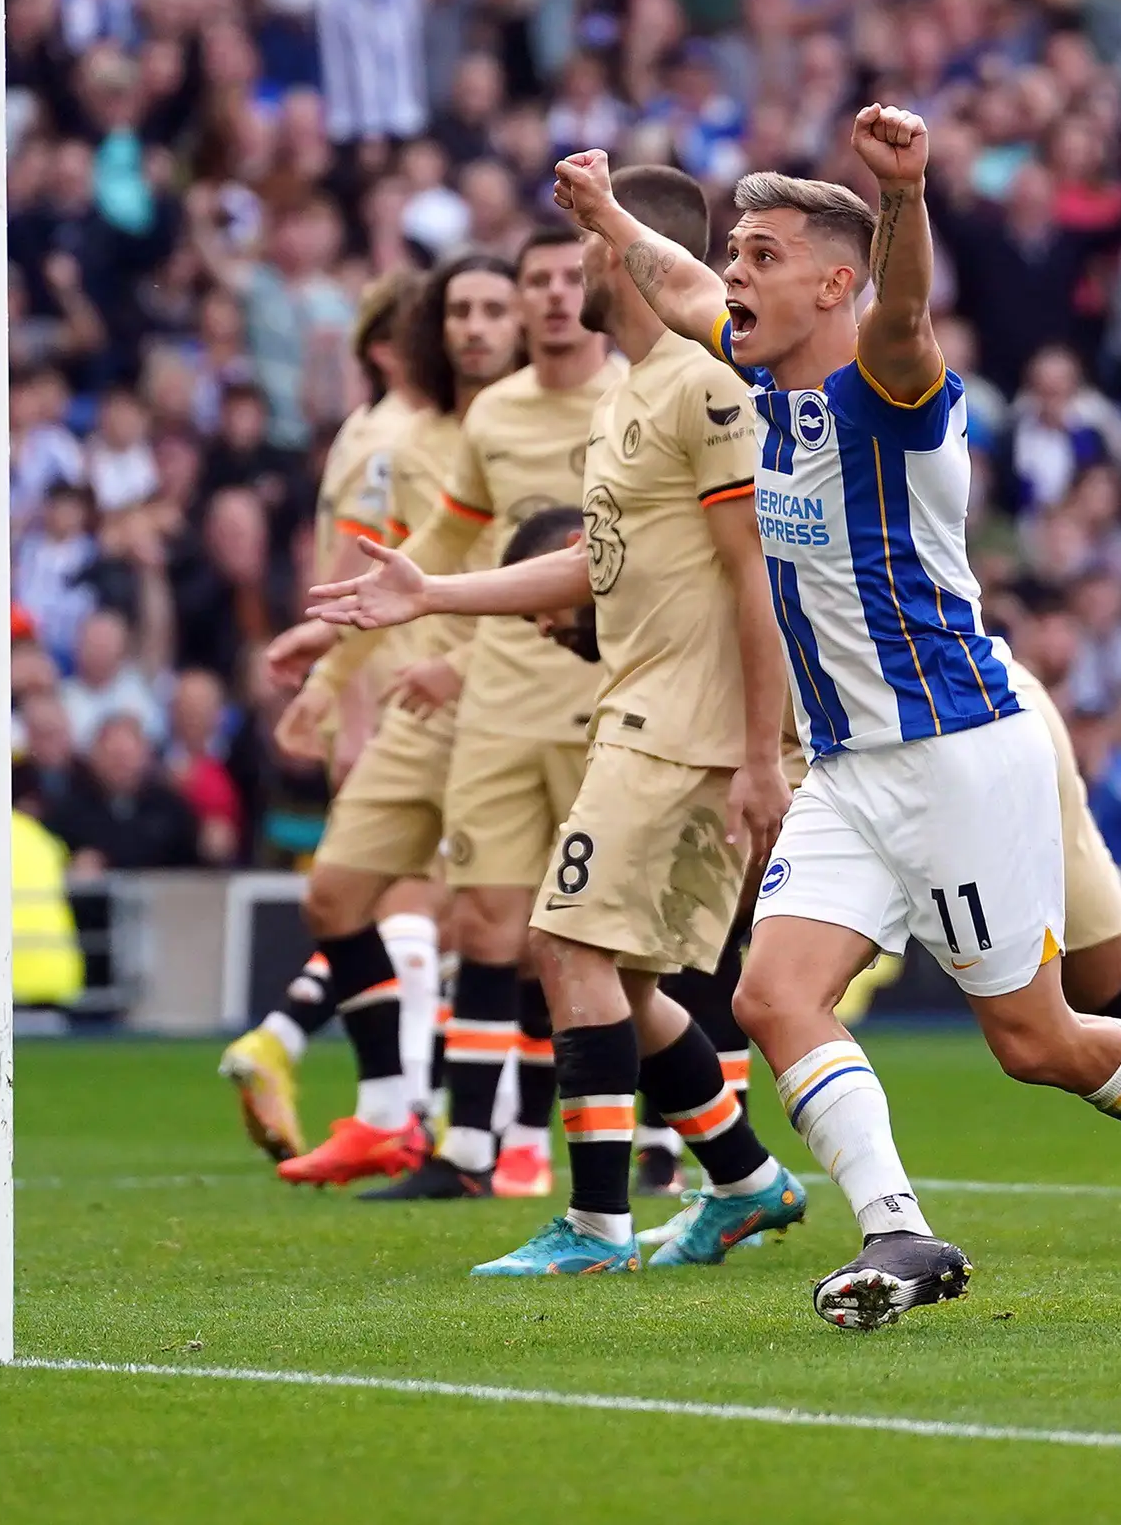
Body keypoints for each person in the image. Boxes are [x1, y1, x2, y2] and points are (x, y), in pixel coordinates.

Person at [538, 117, 1121, 1325]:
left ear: (833, 283)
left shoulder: (893, 391)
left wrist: (903, 196)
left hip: (956, 756)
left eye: (762, 255)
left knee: (1038, 1041)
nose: (732, 273)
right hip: (849, 768)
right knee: (771, 997)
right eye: (734, 253)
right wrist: (608, 221)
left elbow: (903, 312)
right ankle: (901, 1234)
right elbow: (680, 283)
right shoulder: (756, 382)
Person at [311, 167, 809, 1279]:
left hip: (693, 728)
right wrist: (431, 595)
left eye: (580, 247)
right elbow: (595, 563)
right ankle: (744, 1181)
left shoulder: (704, 385)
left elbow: (755, 572)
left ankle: (594, 1227)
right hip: (642, 712)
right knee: (620, 978)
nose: (559, 275)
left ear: (624, 256)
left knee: (564, 944)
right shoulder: (632, 392)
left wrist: (760, 755)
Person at [368, 225, 624, 1202]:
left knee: (626, 936)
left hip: (612, 699)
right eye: (538, 283)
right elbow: (450, 532)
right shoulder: (497, 416)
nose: (556, 299)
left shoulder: (638, 397)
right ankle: (472, 1152)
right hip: (501, 703)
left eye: (571, 280)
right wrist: (378, 608)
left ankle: (655, 1145)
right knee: (484, 922)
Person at [256, 254, 520, 1186]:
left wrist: (468, 659)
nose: (475, 328)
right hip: (420, 696)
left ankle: (503, 1151)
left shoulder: (560, 421)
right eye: (460, 312)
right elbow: (398, 577)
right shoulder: (407, 445)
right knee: (336, 894)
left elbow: (587, 575)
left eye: (495, 310)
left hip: (519, 698)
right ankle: (385, 1114)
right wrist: (330, 672)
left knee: (502, 927)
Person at [213, 271, 416, 1164]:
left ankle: (387, 1096)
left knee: (431, 908)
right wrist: (346, 699)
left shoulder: (372, 434)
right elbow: (350, 573)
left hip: (413, 683)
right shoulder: (386, 438)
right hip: (409, 689)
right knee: (421, 903)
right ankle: (404, 1110)